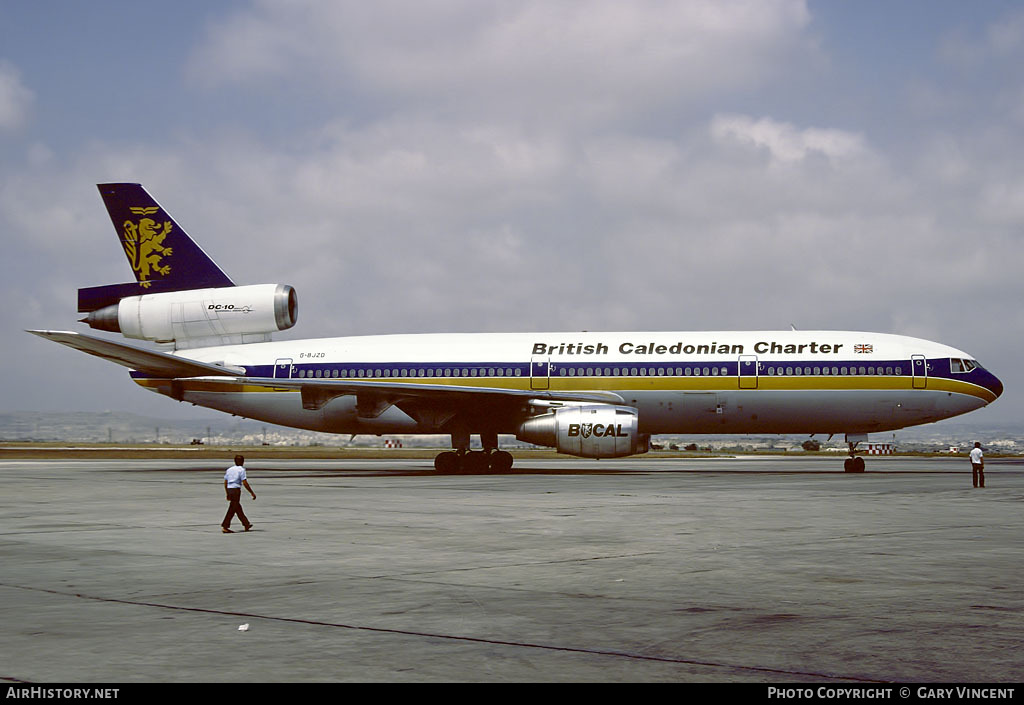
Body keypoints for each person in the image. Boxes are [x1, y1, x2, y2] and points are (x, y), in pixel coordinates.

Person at [222, 455, 256, 532]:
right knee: (232, 509)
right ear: (243, 462)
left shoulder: (229, 469)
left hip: (230, 489)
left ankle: (246, 524)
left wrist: (227, 493)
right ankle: (225, 526)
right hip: (236, 490)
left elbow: (225, 482)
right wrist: (251, 492)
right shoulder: (241, 470)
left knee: (237, 508)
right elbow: (244, 482)